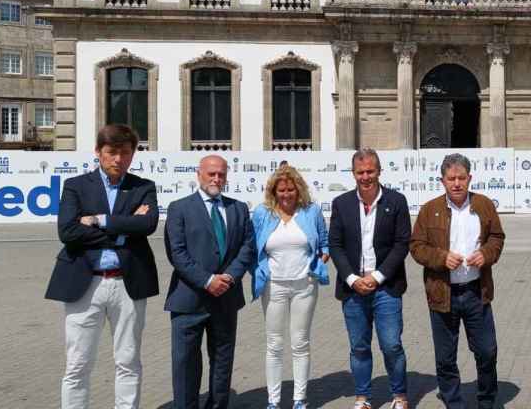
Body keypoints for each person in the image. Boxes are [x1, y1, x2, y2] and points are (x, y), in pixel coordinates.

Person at [45, 123, 159, 409]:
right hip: (85, 285)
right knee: (78, 364)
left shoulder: (143, 187)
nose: (118, 159)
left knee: (128, 360)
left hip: (128, 283)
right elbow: (68, 232)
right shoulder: (76, 186)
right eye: (111, 152)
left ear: (133, 154)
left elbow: (147, 224)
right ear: (98, 152)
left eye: (125, 152)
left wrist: (99, 220)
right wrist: (124, 229)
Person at [410, 153, 506, 409]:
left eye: (461, 178)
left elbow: (497, 237)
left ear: (469, 178)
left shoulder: (484, 205)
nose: (456, 183)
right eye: (451, 178)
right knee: (445, 357)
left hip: (477, 292)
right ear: (442, 180)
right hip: (443, 294)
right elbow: (416, 246)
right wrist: (441, 258)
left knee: (487, 351)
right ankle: (453, 402)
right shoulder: (430, 210)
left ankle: (486, 400)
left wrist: (485, 254)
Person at [164, 155, 255, 409]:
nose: (216, 179)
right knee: (185, 365)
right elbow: (177, 254)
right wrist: (207, 280)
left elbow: (247, 247)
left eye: (221, 174)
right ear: (199, 174)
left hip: (226, 298)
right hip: (188, 300)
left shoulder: (238, 208)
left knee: (223, 362)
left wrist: (229, 277)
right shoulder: (179, 208)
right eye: (211, 174)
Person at [329, 148, 412, 409]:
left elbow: (402, 244)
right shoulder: (341, 204)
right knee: (359, 347)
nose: (365, 177)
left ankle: (399, 396)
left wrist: (376, 277)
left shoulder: (396, 201)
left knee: (391, 346)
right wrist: (353, 278)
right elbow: (335, 245)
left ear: (379, 171)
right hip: (353, 288)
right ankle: (362, 398)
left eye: (370, 171)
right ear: (353, 173)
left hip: (386, 287)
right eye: (360, 172)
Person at [251, 165, 331, 409]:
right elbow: (252, 246)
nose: (286, 194)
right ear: (273, 191)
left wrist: (322, 258)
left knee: (300, 342)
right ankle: (273, 400)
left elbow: (324, 243)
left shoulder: (311, 211)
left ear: (299, 190)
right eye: (281, 190)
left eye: (290, 189)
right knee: (274, 344)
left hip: (304, 285)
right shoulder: (263, 213)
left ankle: (299, 398)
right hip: (273, 286)